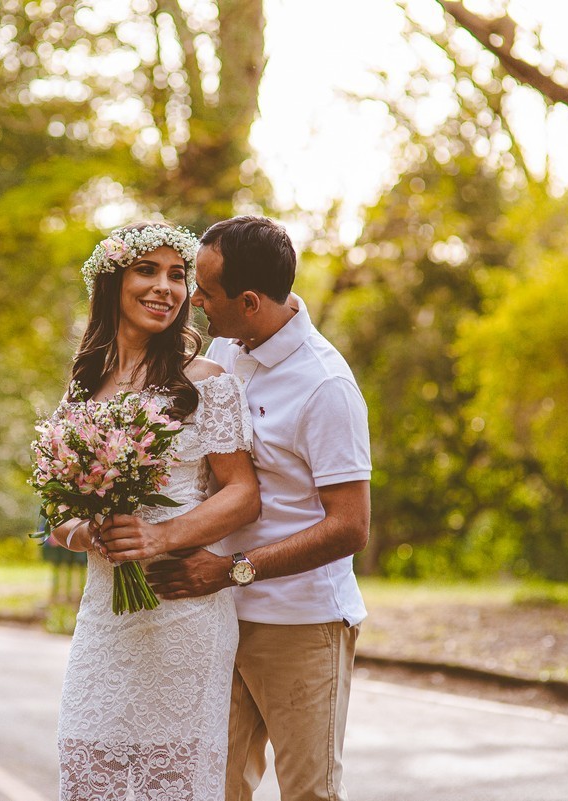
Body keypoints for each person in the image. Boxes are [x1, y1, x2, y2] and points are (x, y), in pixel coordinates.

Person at [145, 216, 372, 801]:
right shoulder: (227, 345)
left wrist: (231, 569)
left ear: (248, 301)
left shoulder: (325, 386)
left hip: (301, 624)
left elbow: (350, 527)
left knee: (308, 793)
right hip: (219, 618)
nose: (194, 300)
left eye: (207, 292)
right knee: (214, 788)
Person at [48, 221, 260, 800]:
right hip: (104, 618)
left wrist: (160, 536)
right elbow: (57, 518)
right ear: (113, 281)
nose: (165, 287)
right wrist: (89, 533)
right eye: (148, 270)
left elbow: (242, 495)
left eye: (177, 274)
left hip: (183, 613)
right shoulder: (83, 391)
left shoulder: (209, 384)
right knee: (90, 772)